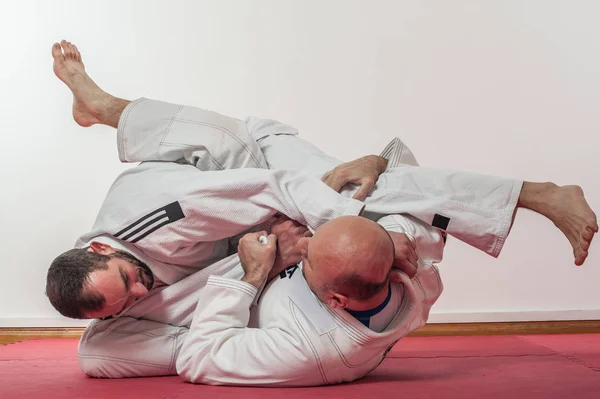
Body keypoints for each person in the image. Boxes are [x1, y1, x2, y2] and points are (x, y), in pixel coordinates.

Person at [46, 41, 597, 385]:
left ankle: (108, 108)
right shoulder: (114, 306)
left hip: (250, 164)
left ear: (100, 249)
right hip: (257, 221)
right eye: (119, 308)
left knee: (340, 186)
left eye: (128, 285)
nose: (138, 299)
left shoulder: (165, 216)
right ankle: (521, 191)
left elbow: (278, 185)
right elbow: (107, 351)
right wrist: (259, 266)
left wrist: (340, 226)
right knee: (368, 199)